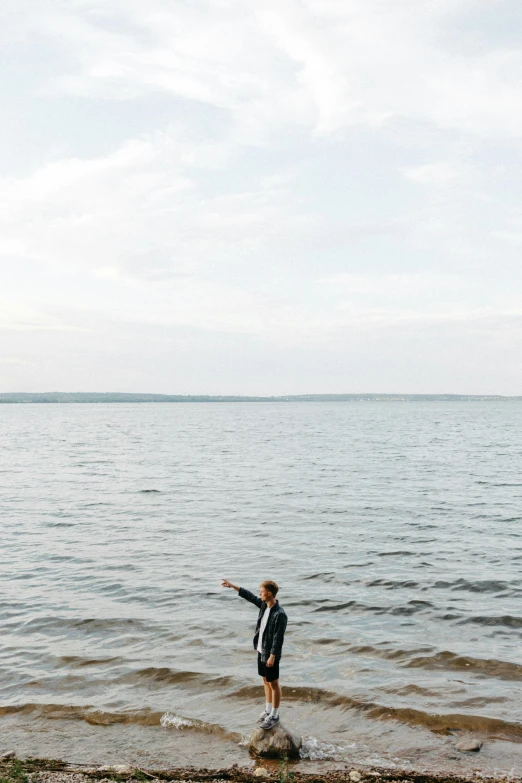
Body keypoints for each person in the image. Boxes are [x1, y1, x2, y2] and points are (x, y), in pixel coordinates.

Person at [221, 578, 287, 729]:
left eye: (262, 592)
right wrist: (232, 586)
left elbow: (278, 638)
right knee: (265, 681)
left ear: (269, 593)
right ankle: (268, 710)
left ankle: (275, 715)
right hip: (260, 650)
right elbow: (250, 596)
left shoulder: (280, 614)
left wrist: (272, 655)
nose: (260, 594)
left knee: (274, 684)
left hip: (270, 654)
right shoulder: (264, 606)